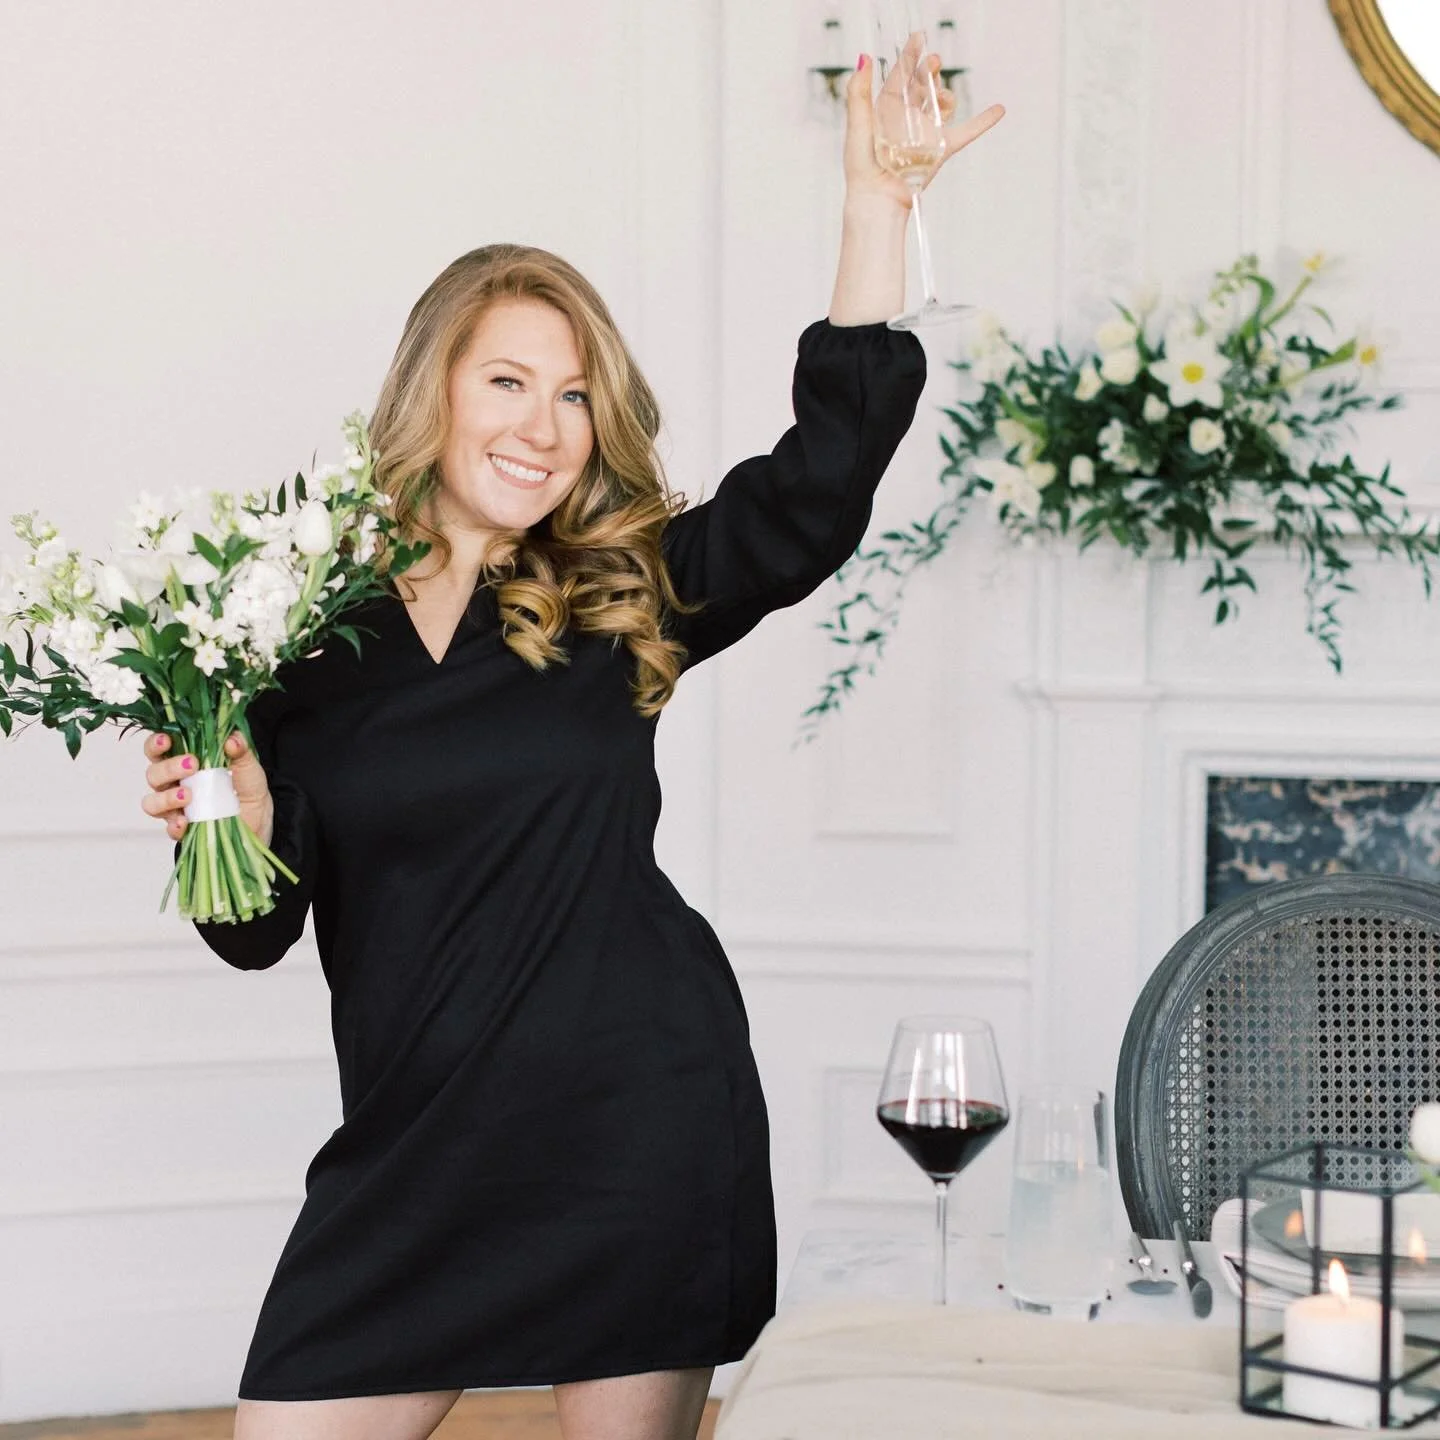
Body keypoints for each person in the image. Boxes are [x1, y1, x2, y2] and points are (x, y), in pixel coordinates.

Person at [138, 48, 1003, 1440]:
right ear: (435, 391)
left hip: (631, 1122)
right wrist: (226, 814)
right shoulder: (296, 633)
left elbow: (818, 493)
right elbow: (257, 935)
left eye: (576, 394)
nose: (544, 428)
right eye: (509, 383)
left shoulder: (623, 589)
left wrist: (872, 207)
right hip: (416, 1148)